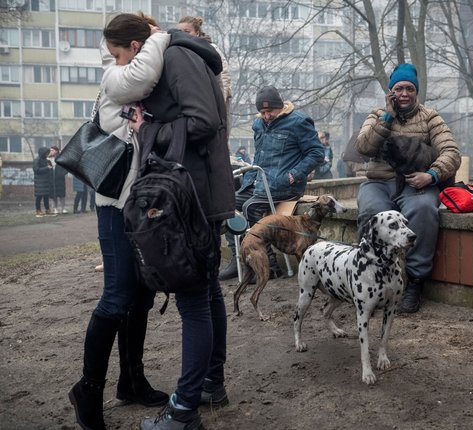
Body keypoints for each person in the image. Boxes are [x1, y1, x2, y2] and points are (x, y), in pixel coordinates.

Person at [128, 19, 235, 430]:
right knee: (207, 294)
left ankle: (184, 409)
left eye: (126, 56)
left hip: (194, 197)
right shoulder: (181, 55)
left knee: (195, 301)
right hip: (195, 191)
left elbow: (204, 121)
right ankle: (211, 385)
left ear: (143, 41)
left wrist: (148, 129)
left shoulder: (177, 56)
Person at [68, 14, 171, 430]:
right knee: (116, 297)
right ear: (138, 47)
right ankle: (87, 388)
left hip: (140, 205)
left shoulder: (137, 71)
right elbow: (143, 76)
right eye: (114, 53)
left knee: (142, 296)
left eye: (115, 51)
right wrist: (159, 38)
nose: (110, 59)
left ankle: (131, 379)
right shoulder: (118, 77)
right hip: (114, 205)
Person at [355, 63, 461, 313]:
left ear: (416, 91)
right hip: (379, 182)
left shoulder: (430, 117)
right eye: (399, 88)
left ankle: (414, 281)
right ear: (391, 92)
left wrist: (432, 175)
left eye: (409, 89)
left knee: (423, 209)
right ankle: (367, 275)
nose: (404, 94)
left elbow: (451, 152)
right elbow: (364, 147)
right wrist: (387, 117)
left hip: (416, 183)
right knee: (372, 210)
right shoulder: (377, 115)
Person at [217, 85, 324, 281]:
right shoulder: (259, 124)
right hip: (259, 183)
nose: (266, 116)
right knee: (227, 206)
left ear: (280, 106)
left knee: (250, 208)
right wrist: (250, 178)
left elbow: (317, 153)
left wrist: (294, 175)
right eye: (262, 112)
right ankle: (239, 259)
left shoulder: (298, 122)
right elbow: (259, 155)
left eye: (270, 111)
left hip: (284, 186)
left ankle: (269, 266)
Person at [176, 15, 232, 137]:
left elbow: (224, 79)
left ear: (197, 33)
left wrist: (217, 105)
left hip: (210, 105)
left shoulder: (211, 49)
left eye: (187, 31)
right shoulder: (177, 51)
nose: (183, 35)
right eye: (179, 32)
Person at [32, 147, 55, 217]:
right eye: (46, 153)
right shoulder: (37, 160)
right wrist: (46, 168)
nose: (47, 154)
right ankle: (38, 210)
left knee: (46, 196)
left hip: (47, 182)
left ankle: (47, 210)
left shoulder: (47, 161)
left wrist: (51, 168)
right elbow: (36, 170)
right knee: (39, 197)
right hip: (40, 182)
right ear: (42, 153)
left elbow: (50, 170)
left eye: (47, 153)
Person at [48, 145, 68, 214]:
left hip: (60, 180)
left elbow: (66, 168)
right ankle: (55, 208)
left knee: (61, 195)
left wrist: (62, 174)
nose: (51, 151)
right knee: (54, 195)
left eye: (52, 150)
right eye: (50, 150)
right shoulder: (48, 159)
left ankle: (63, 208)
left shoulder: (61, 158)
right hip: (52, 180)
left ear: (56, 151)